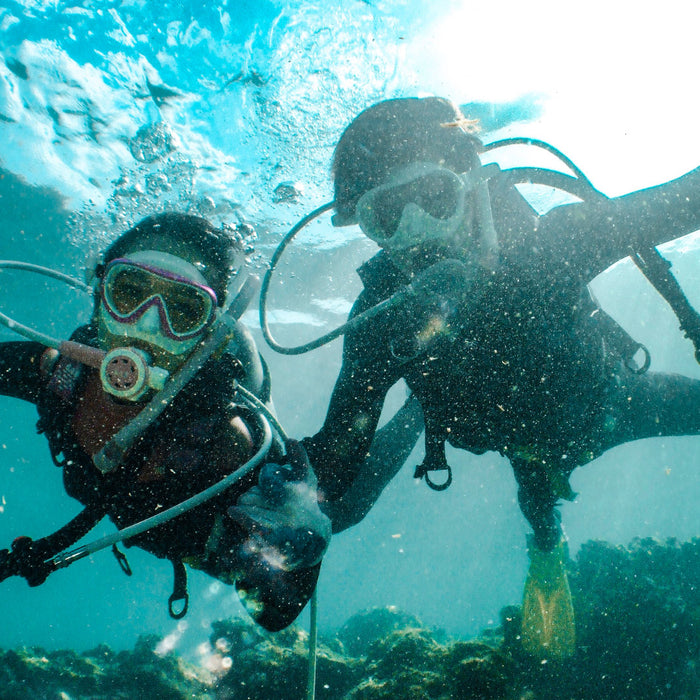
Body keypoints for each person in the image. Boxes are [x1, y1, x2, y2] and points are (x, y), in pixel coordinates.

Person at [299, 97, 700, 656]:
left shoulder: (556, 245)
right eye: (389, 217)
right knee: (533, 499)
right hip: (513, 441)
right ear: (369, 230)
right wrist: (280, 509)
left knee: (538, 492)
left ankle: (543, 539)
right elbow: (337, 464)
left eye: (434, 198)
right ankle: (545, 547)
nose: (420, 236)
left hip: (612, 406)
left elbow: (681, 202)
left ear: (472, 184)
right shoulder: (381, 316)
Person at [0, 212, 331, 632]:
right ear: (99, 297)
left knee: (349, 499)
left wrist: (296, 540)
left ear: (209, 333)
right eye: (129, 292)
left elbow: (276, 614)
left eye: (183, 310)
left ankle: (412, 419)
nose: (148, 325)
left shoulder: (224, 442)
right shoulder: (59, 374)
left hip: (213, 529)